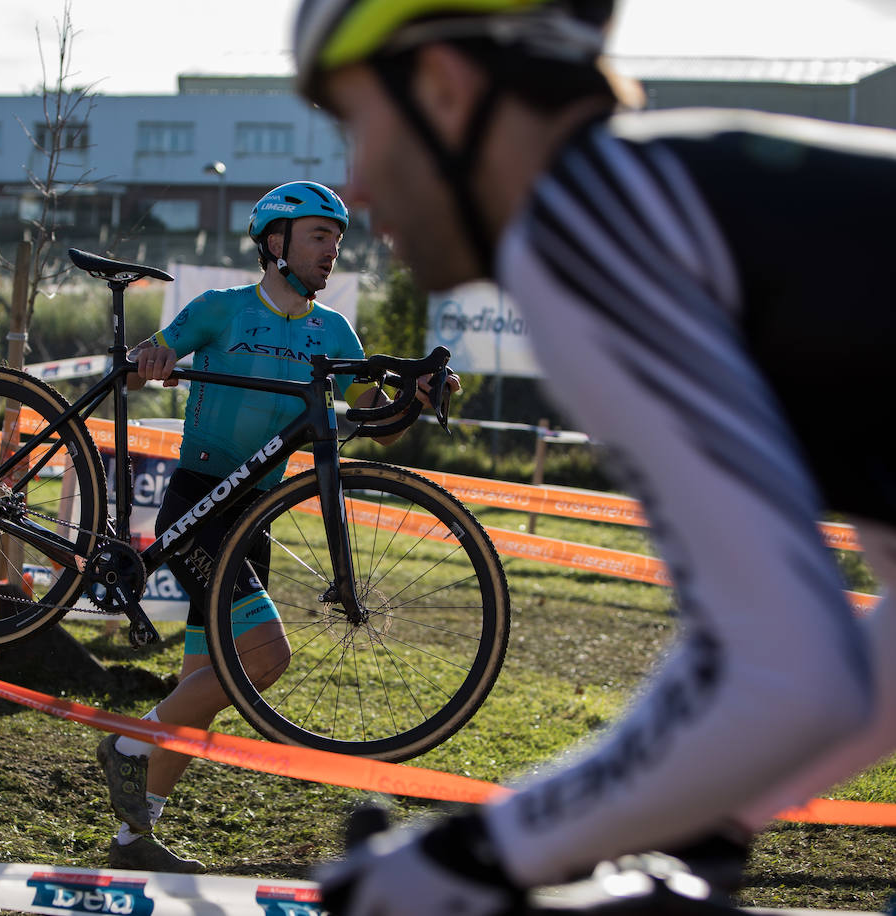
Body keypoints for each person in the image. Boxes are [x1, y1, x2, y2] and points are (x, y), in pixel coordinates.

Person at [289, 0, 896, 912]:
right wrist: (705, 822)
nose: (357, 186)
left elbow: (781, 672)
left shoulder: (582, 223)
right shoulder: (699, 192)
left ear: (444, 90)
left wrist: (479, 856)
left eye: (355, 128)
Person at [96, 180, 455, 873]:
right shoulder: (223, 311)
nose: (333, 251)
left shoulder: (335, 331)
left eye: (338, 239)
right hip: (201, 504)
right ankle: (129, 743)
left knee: (204, 686)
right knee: (264, 660)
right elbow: (145, 360)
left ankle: (133, 840)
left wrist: (413, 397)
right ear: (275, 243)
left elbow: (374, 424)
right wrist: (151, 358)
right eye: (321, 236)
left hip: (252, 517)